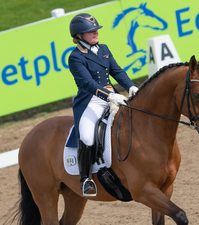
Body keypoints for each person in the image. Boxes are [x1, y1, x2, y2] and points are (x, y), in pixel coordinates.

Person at [68, 13, 138, 197]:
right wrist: (109, 95)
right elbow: (87, 84)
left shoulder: (104, 49)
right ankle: (85, 179)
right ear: (79, 36)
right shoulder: (75, 57)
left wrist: (131, 87)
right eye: (90, 31)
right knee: (87, 137)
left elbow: (117, 71)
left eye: (95, 30)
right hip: (91, 101)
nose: (95, 33)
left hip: (112, 96)